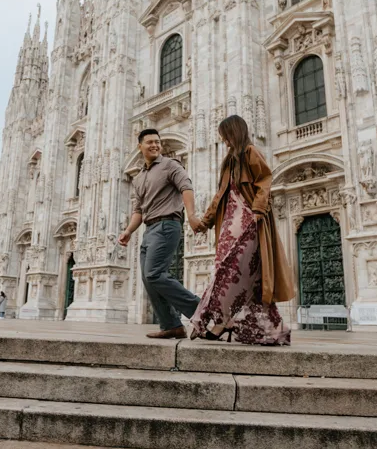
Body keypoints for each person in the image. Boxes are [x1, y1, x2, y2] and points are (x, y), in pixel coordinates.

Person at [189, 115, 293, 346]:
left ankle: (221, 323)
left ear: (233, 132)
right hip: (229, 222)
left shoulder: (250, 153)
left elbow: (265, 180)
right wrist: (206, 222)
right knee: (227, 270)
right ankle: (223, 322)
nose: (224, 141)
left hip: (248, 221)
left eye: (225, 136)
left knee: (239, 272)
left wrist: (257, 210)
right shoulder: (230, 161)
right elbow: (219, 196)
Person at [118, 128, 202, 339]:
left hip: (167, 225)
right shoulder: (139, 178)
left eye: (157, 142)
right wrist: (128, 231)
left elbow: (186, 187)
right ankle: (171, 325)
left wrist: (191, 215)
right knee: (149, 279)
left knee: (154, 273)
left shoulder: (170, 165)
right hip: (149, 230)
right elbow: (139, 210)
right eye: (150, 142)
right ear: (140, 146)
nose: (155, 145)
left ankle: (203, 311)